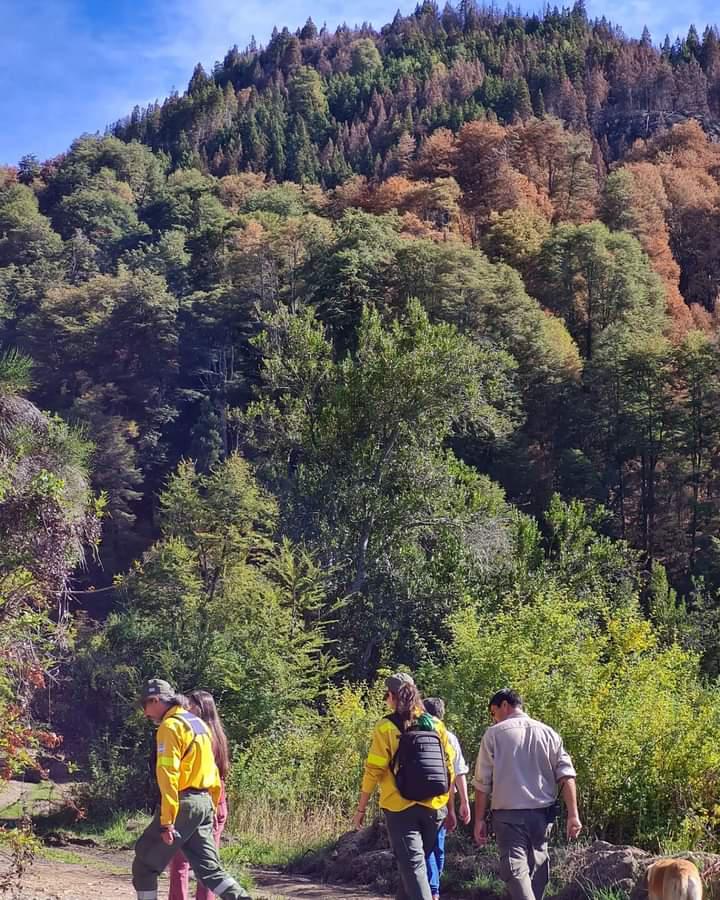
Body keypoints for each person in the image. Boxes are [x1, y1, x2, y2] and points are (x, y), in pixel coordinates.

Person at [132, 678, 249, 900]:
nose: (145, 712)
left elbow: (168, 777)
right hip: (204, 802)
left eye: (144, 705)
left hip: (183, 803)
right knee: (210, 870)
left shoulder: (170, 726)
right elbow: (212, 770)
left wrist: (167, 821)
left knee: (144, 865)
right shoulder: (197, 723)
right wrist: (212, 806)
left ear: (155, 700)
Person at [352, 673, 455, 900]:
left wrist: (361, 808)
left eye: (386, 696)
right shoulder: (436, 724)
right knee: (411, 869)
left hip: (400, 809)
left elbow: (374, 770)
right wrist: (448, 805)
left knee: (414, 868)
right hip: (435, 808)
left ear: (391, 696)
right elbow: (450, 768)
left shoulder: (386, 727)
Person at [472, 688, 582, 900]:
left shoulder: (494, 734)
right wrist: (573, 814)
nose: (493, 719)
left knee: (514, 869)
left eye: (493, 712)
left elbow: (482, 782)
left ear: (505, 705)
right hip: (542, 815)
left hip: (507, 815)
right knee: (537, 869)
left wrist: (479, 820)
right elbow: (567, 775)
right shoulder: (548, 733)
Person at [168, 690, 231, 900]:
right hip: (217, 802)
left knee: (180, 862)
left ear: (200, 708)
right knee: (207, 864)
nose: (185, 708)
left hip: (198, 801)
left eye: (190, 705)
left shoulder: (198, 735)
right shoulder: (219, 737)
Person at [422, 698, 471, 900]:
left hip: (416, 798)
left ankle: (431, 889)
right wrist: (464, 803)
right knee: (437, 845)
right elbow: (458, 773)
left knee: (425, 847)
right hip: (442, 799)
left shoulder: (415, 732)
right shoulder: (449, 737)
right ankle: (434, 889)